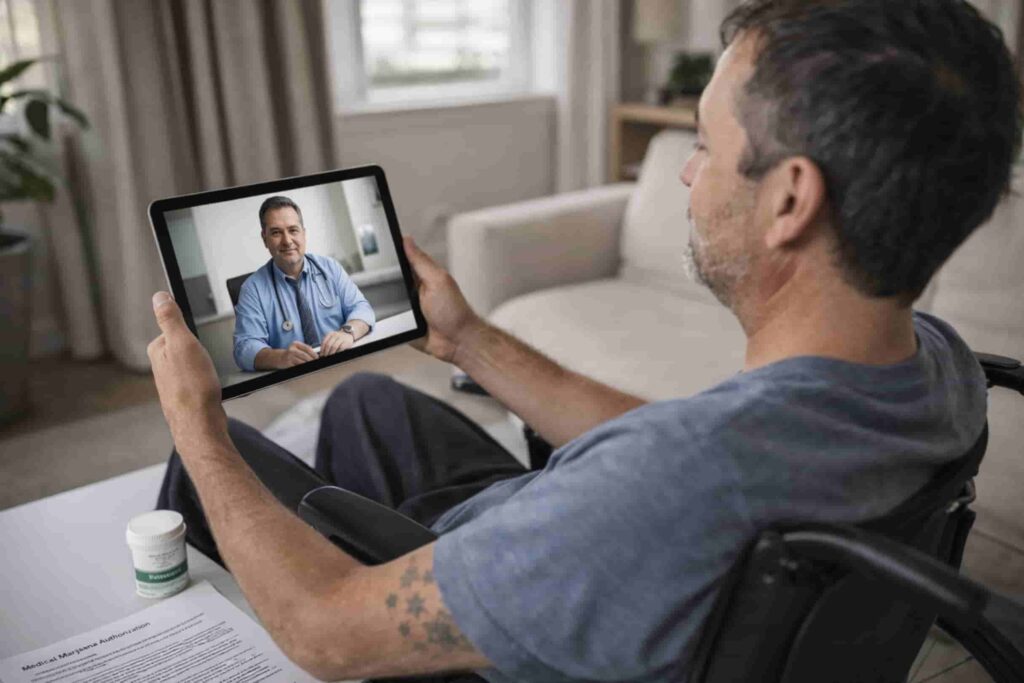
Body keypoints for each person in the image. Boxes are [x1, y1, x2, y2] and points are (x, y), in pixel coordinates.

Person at [149, 0, 1022, 680]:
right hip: (598, 555)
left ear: (791, 200)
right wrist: (473, 342)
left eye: (705, 143)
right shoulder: (939, 366)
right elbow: (680, 454)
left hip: (499, 615)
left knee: (208, 463)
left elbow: (322, 630)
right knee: (368, 398)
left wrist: (196, 417)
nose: (684, 169)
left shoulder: (653, 489)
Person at [232, 195, 376, 371]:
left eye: (293, 230)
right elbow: (244, 347)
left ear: (303, 233)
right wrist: (280, 357)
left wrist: (348, 333)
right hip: (294, 377)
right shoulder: (252, 289)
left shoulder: (330, 268)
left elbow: (362, 308)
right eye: (276, 232)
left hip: (343, 363)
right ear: (265, 238)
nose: (287, 241)